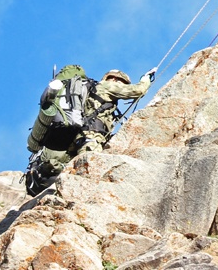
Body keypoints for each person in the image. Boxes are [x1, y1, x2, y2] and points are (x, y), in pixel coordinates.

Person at [25, 67, 154, 195]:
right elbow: (138, 90)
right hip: (91, 136)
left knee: (76, 169)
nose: (122, 85)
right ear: (114, 79)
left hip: (78, 138)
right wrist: (146, 79)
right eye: (122, 82)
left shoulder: (90, 90)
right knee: (90, 170)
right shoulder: (107, 86)